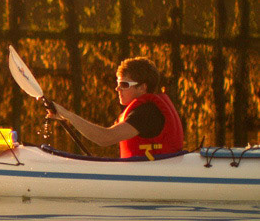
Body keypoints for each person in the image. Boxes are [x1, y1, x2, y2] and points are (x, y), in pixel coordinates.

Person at [44, 57, 184, 159]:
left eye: (124, 84)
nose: (117, 89)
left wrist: (68, 115)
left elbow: (105, 138)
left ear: (142, 87)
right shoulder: (147, 109)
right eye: (118, 84)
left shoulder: (147, 112)